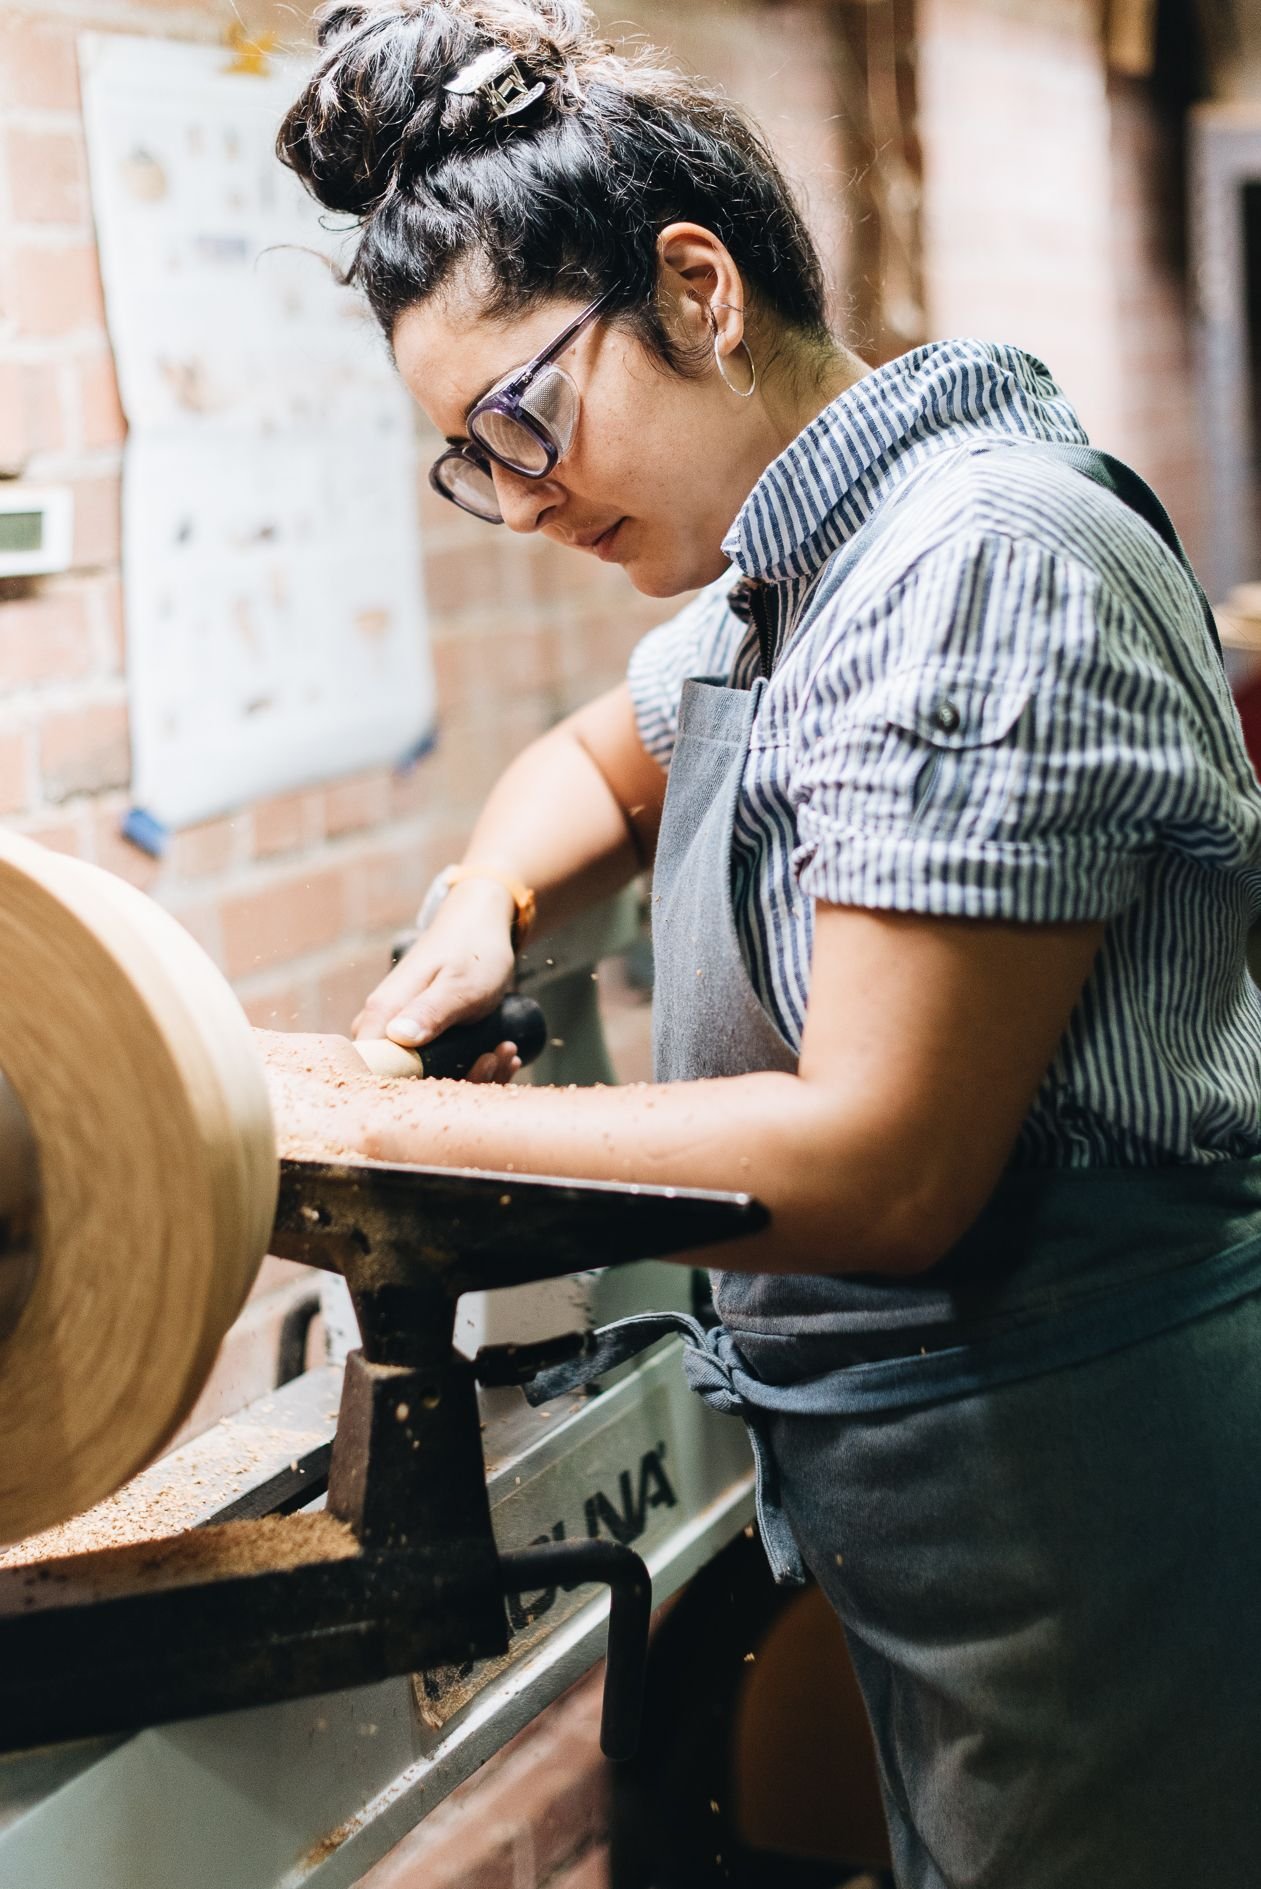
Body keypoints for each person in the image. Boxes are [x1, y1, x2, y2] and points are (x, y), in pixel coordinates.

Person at [273, 4, 1261, 1882]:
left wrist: (376, 1136)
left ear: (698, 288)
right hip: (927, 1508)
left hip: (1100, 1501)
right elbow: (603, 757)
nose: (524, 496)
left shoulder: (975, 561)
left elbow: (880, 1165)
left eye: (523, 419)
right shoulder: (794, 576)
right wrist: (483, 902)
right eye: (471, 459)